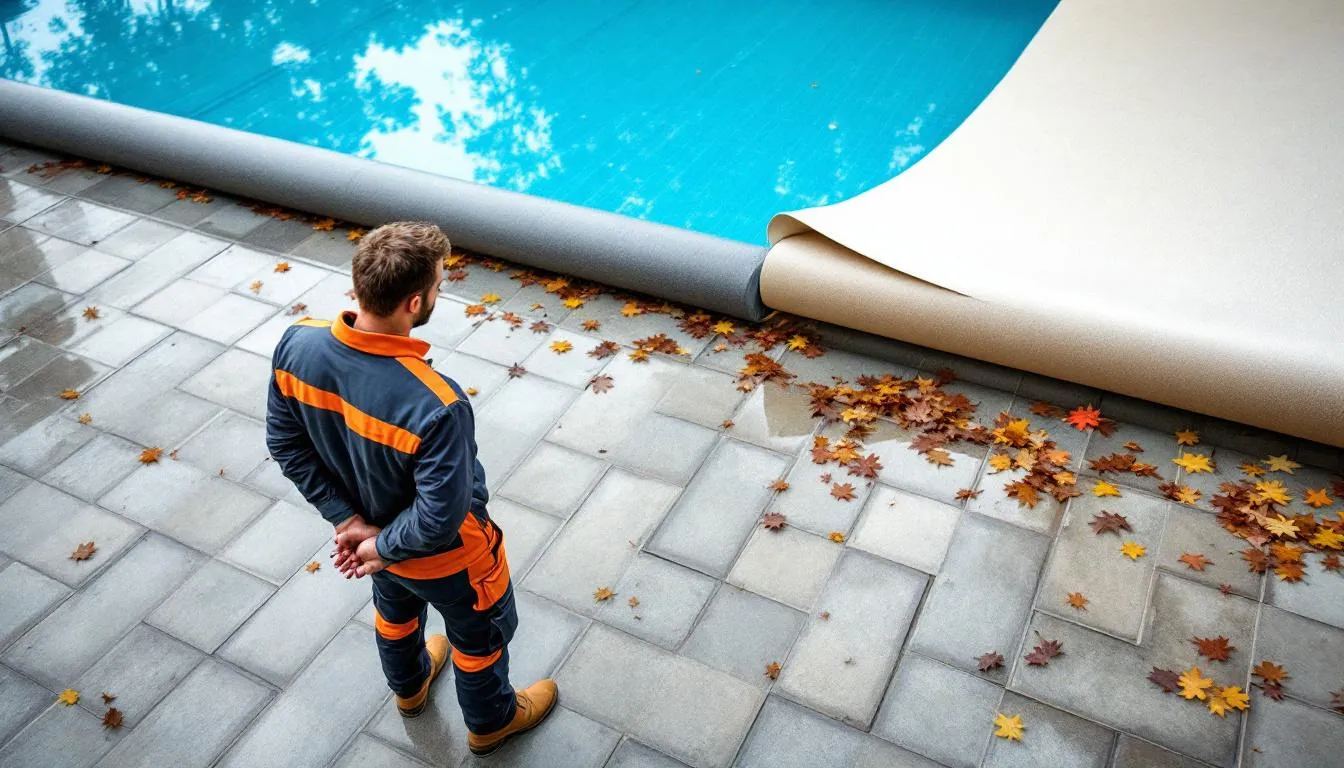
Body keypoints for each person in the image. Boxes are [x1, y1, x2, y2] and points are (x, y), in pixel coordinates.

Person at [264, 221, 557, 756]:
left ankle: (410, 688)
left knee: (395, 615)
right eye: (442, 285)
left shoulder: (296, 343)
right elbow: (438, 519)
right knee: (479, 638)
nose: (441, 291)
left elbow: (285, 444)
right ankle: (491, 722)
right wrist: (377, 545)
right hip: (447, 559)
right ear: (415, 301)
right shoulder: (437, 403)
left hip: (374, 544)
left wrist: (350, 523)